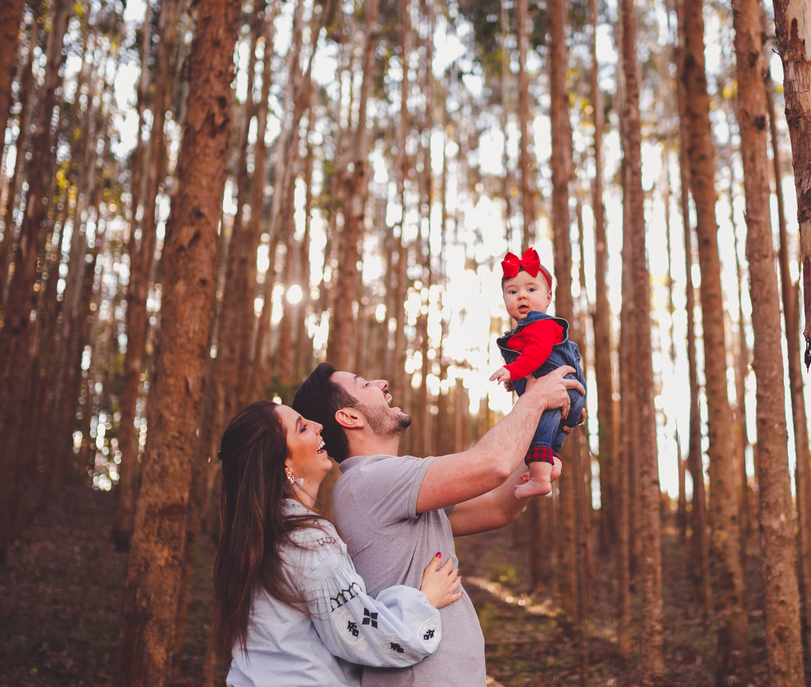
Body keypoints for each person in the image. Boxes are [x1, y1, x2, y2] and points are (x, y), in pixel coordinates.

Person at [292, 361, 581, 687]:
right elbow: (492, 464)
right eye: (364, 384)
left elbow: (498, 507)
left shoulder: (392, 488)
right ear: (349, 417)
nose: (382, 382)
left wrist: (546, 435)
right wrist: (535, 399)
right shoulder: (368, 480)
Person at [211, 401, 465, 686]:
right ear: (283, 463)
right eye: (302, 428)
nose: (319, 426)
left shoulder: (264, 536)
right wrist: (424, 601)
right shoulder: (306, 540)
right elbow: (365, 634)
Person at [489, 247, 588, 498]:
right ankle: (552, 464)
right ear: (504, 298)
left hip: (557, 392)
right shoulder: (523, 332)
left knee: (536, 430)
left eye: (531, 289)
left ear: (548, 297)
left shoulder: (541, 324)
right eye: (513, 292)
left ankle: (541, 478)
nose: (522, 295)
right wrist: (516, 380)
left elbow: (538, 353)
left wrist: (513, 370)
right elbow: (532, 364)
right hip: (566, 395)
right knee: (546, 431)